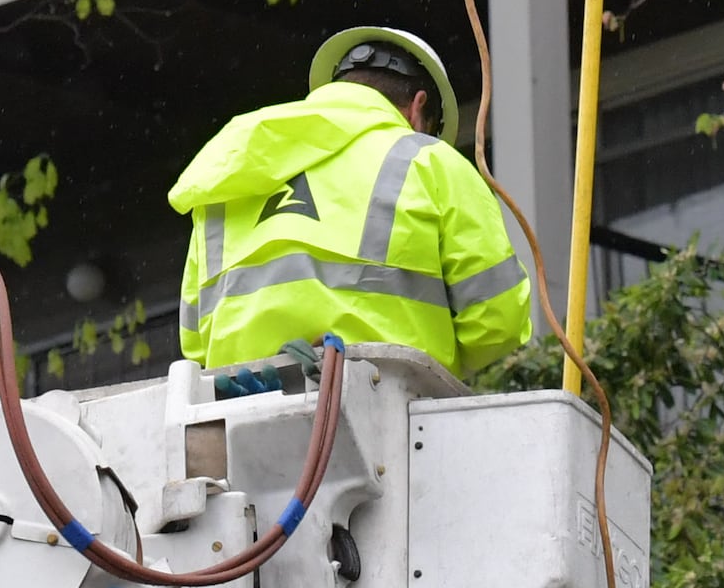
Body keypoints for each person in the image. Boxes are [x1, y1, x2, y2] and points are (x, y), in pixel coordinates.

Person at [169, 27, 533, 381]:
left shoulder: (228, 164)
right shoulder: (429, 161)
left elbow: (196, 345)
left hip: (246, 412)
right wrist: (439, 365)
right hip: (397, 412)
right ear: (418, 107)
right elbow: (498, 321)